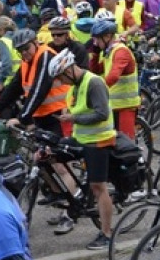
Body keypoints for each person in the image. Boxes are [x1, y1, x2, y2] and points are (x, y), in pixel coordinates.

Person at [49, 49, 117, 249]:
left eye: (61, 77)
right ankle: (70, 199)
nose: (61, 82)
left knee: (99, 187)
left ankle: (106, 233)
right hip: (82, 137)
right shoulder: (75, 86)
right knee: (49, 154)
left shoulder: (93, 82)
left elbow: (102, 113)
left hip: (99, 140)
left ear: (70, 69)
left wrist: (73, 118)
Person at [90, 19, 140, 141]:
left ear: (107, 36)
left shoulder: (121, 52)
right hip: (112, 105)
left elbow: (113, 76)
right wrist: (95, 54)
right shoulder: (109, 51)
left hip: (125, 106)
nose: (95, 43)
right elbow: (95, 69)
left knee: (126, 143)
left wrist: (97, 91)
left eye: (97, 39)